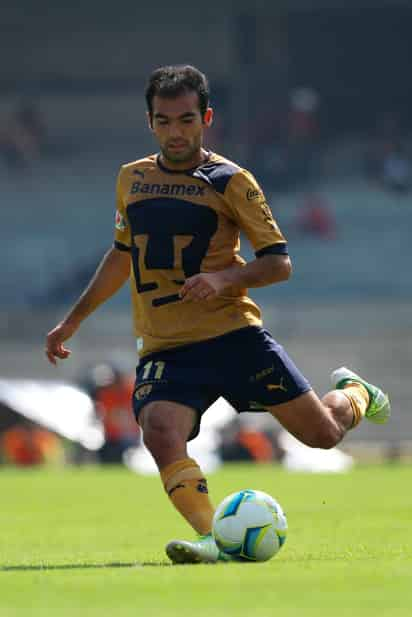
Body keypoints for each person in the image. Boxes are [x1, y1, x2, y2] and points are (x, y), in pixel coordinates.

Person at [45, 65, 390, 564]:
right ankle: (219, 540)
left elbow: (279, 263)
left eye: (186, 120)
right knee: (159, 429)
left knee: (323, 435)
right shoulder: (132, 179)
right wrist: (73, 320)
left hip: (233, 337)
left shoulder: (232, 180)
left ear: (206, 118)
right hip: (166, 345)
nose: (175, 132)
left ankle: (357, 394)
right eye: (164, 121)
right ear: (150, 122)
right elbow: (122, 254)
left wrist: (224, 279)